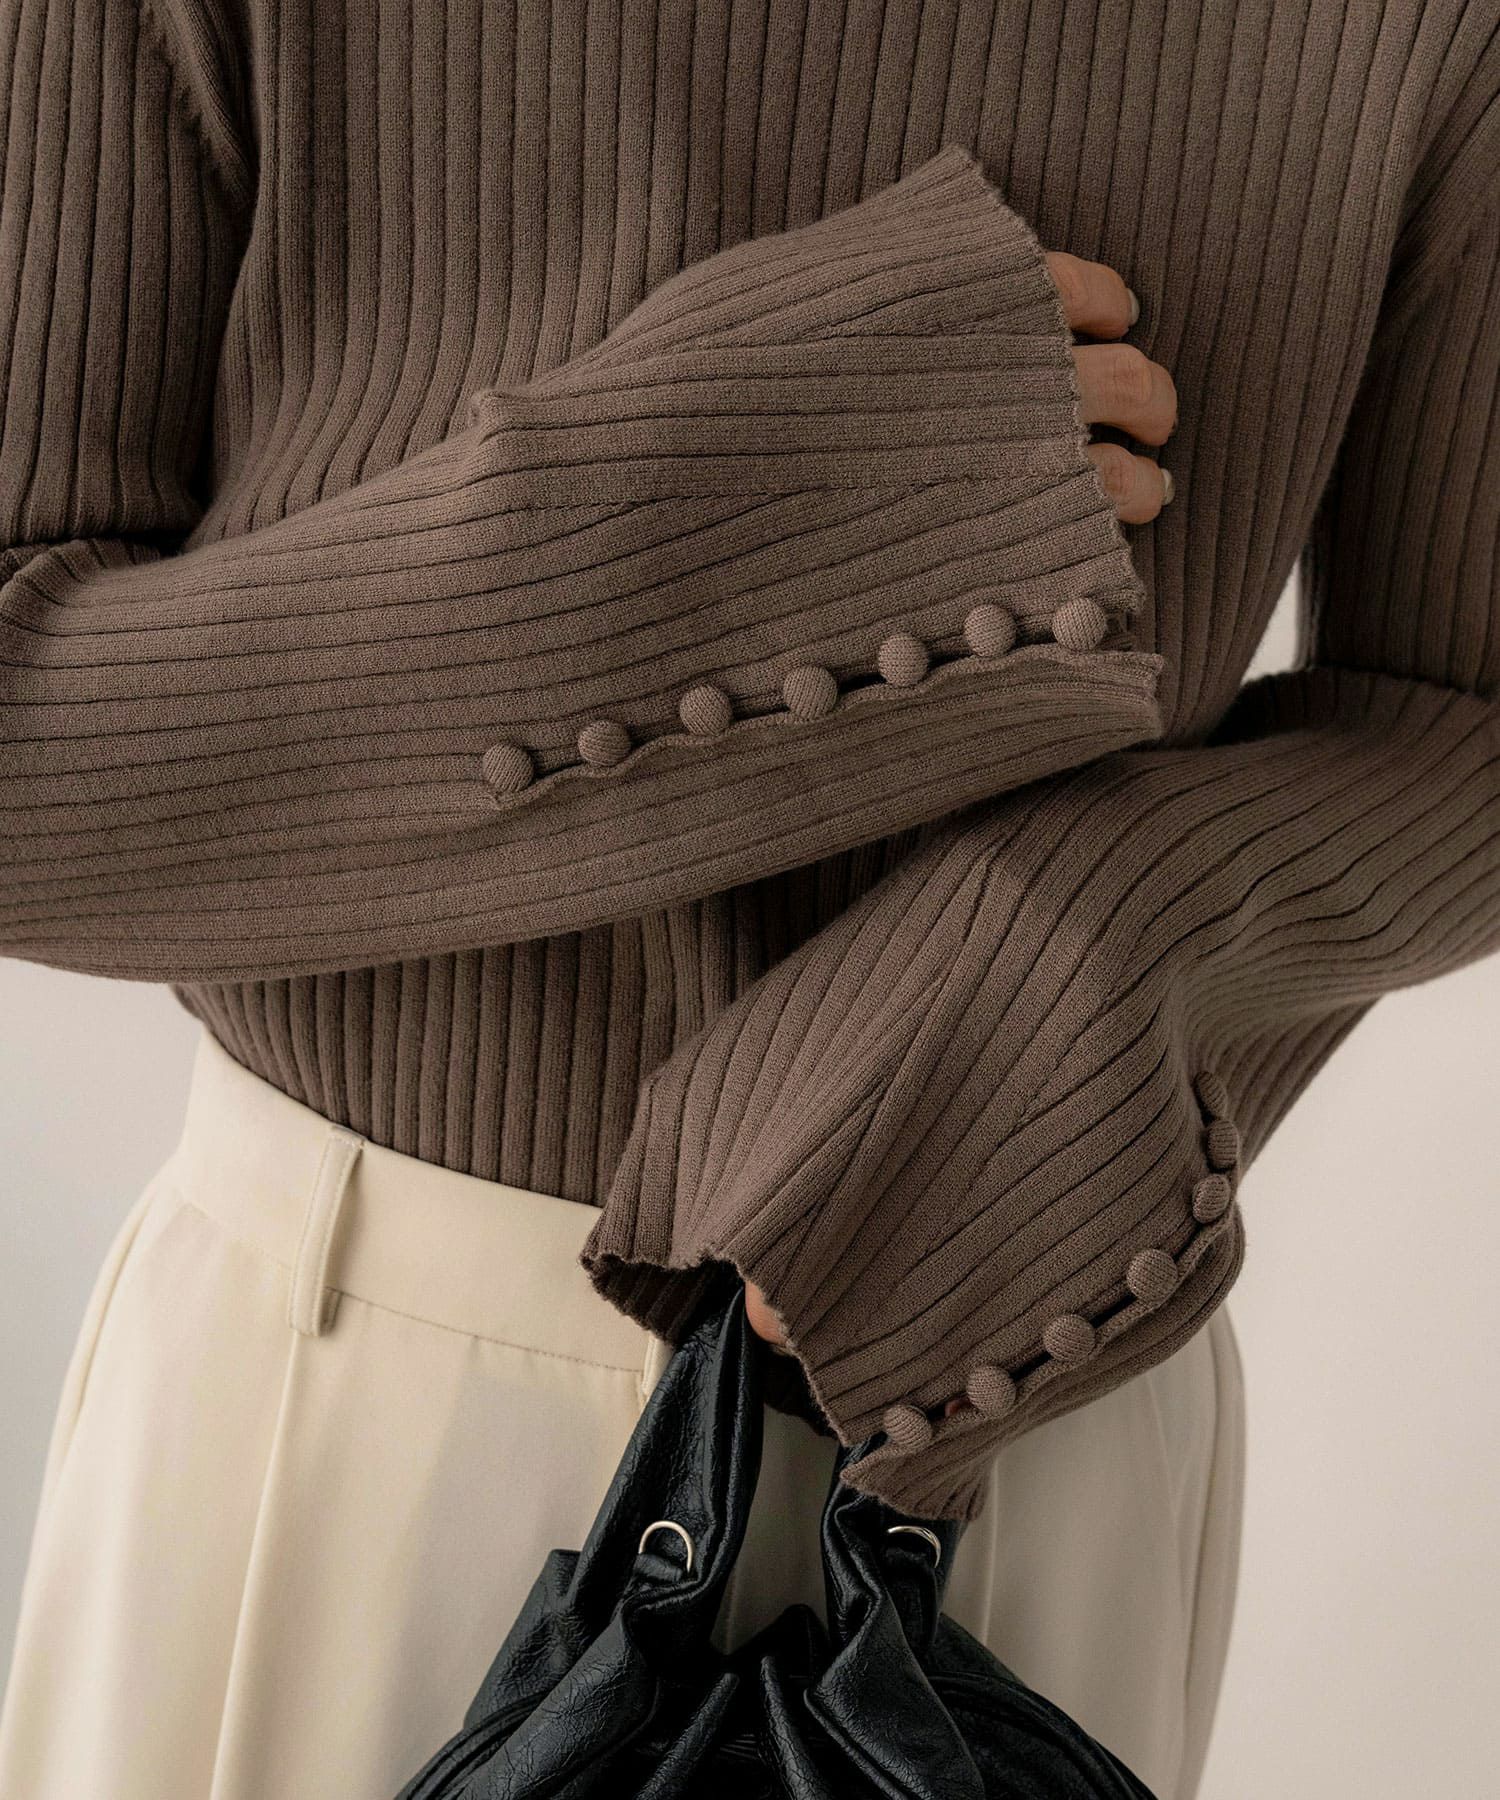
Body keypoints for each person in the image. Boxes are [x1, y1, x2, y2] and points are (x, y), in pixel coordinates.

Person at [1, 2, 1495, 1796]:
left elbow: (1456, 715)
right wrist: (717, 534)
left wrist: (1069, 961)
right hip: (355, 1419)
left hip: (1021, 1390)